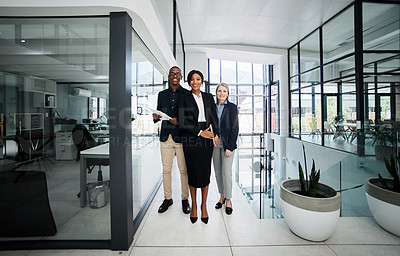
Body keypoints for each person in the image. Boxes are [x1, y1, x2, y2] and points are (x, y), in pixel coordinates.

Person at [178, 70, 219, 224]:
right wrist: (200, 132)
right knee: (193, 172)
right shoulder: (184, 98)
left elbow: (214, 117)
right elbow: (182, 121)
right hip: (191, 137)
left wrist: (216, 134)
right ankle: (194, 205)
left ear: (202, 81)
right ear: (189, 82)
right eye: (192, 79)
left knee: (205, 172)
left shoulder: (208, 97)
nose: (195, 82)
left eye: (198, 79)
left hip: (207, 137)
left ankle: (204, 205)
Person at [153, 66, 190, 214]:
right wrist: (155, 117)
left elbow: (190, 117)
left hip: (181, 136)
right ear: (169, 77)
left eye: (177, 74)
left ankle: (185, 199)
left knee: (183, 170)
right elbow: (158, 112)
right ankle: (168, 198)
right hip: (165, 137)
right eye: (172, 74)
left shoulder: (187, 94)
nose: (175, 76)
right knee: (166, 170)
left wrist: (179, 122)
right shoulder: (161, 94)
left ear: (181, 77)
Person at [212, 83, 239, 215]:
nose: (221, 93)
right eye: (219, 91)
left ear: (228, 93)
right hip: (215, 142)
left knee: (226, 172)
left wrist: (230, 147)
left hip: (227, 143)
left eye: (224, 91)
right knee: (217, 171)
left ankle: (228, 200)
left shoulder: (232, 107)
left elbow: (235, 127)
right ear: (216, 93)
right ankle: (221, 196)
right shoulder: (212, 107)